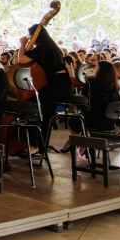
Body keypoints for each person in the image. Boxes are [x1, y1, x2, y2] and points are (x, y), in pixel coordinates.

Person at [16, 24, 74, 153]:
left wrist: (22, 44)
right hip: (61, 85)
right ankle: (40, 148)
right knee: (45, 116)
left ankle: (34, 145)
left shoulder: (44, 47)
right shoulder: (50, 45)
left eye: (30, 36)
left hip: (57, 87)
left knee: (31, 108)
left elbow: (21, 59)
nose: (30, 39)